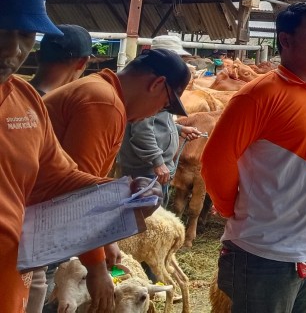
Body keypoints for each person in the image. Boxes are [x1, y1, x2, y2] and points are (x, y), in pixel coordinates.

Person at [0, 0, 157, 312]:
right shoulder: (101, 103)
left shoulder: (24, 101)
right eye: (0, 28)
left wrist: (121, 193)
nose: (13, 50)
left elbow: (57, 177)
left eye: (25, 34)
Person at [202, 2, 306, 313]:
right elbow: (215, 160)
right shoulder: (257, 96)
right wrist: (231, 208)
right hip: (264, 253)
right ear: (286, 40)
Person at [37, 47, 191, 310]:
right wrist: (96, 268)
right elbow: (80, 194)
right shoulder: (103, 103)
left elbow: (88, 183)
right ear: (156, 84)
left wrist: (107, 241)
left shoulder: (106, 97)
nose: (154, 114)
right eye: (163, 106)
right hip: (31, 225)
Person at [24, 24, 93, 312]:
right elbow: (63, 172)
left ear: (37, 54)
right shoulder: (54, 107)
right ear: (82, 63)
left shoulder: (20, 95)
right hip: (38, 226)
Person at [117, 35, 203, 208]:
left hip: (153, 167)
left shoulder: (158, 89)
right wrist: (157, 162)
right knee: (146, 216)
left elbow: (153, 122)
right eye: (177, 59)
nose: (179, 65)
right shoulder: (149, 93)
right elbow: (141, 129)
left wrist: (177, 128)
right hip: (145, 169)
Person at [28, 23, 93, 96]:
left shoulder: (15, 93)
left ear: (37, 56)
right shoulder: (57, 106)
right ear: (81, 62)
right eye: (87, 64)